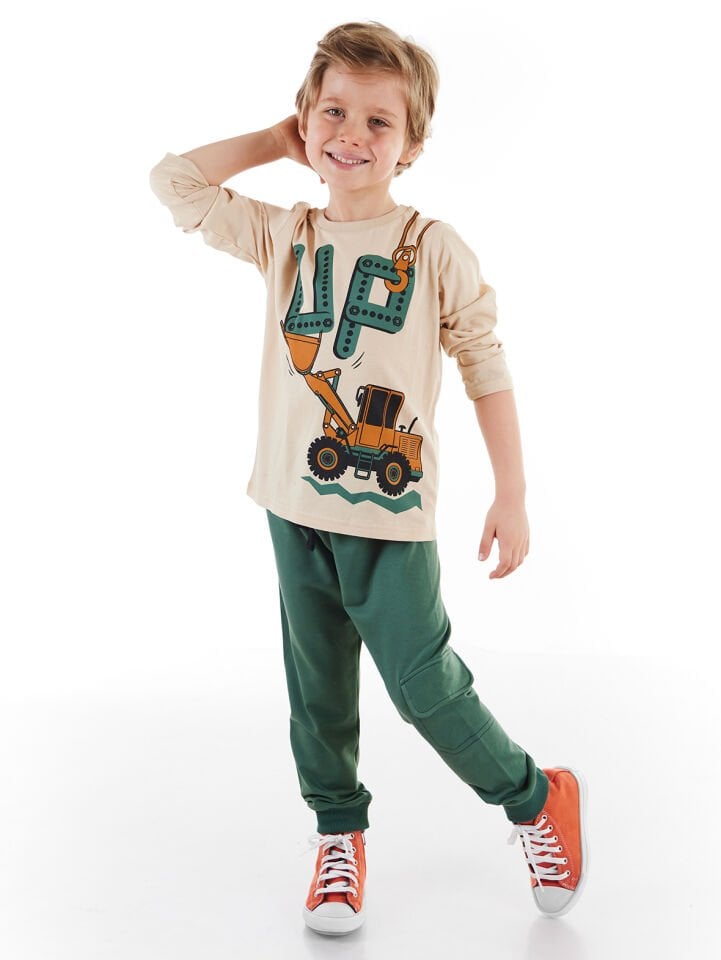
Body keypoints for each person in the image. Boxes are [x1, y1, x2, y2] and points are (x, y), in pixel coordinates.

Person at [149, 20, 588, 937]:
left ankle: (533, 796)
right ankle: (337, 834)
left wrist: (511, 492)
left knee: (423, 684)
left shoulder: (432, 247)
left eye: (377, 122)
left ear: (412, 146)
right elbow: (174, 182)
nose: (350, 134)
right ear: (306, 119)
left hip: (389, 518)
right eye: (332, 113)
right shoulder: (282, 234)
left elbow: (484, 365)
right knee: (318, 690)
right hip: (291, 505)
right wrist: (274, 139)